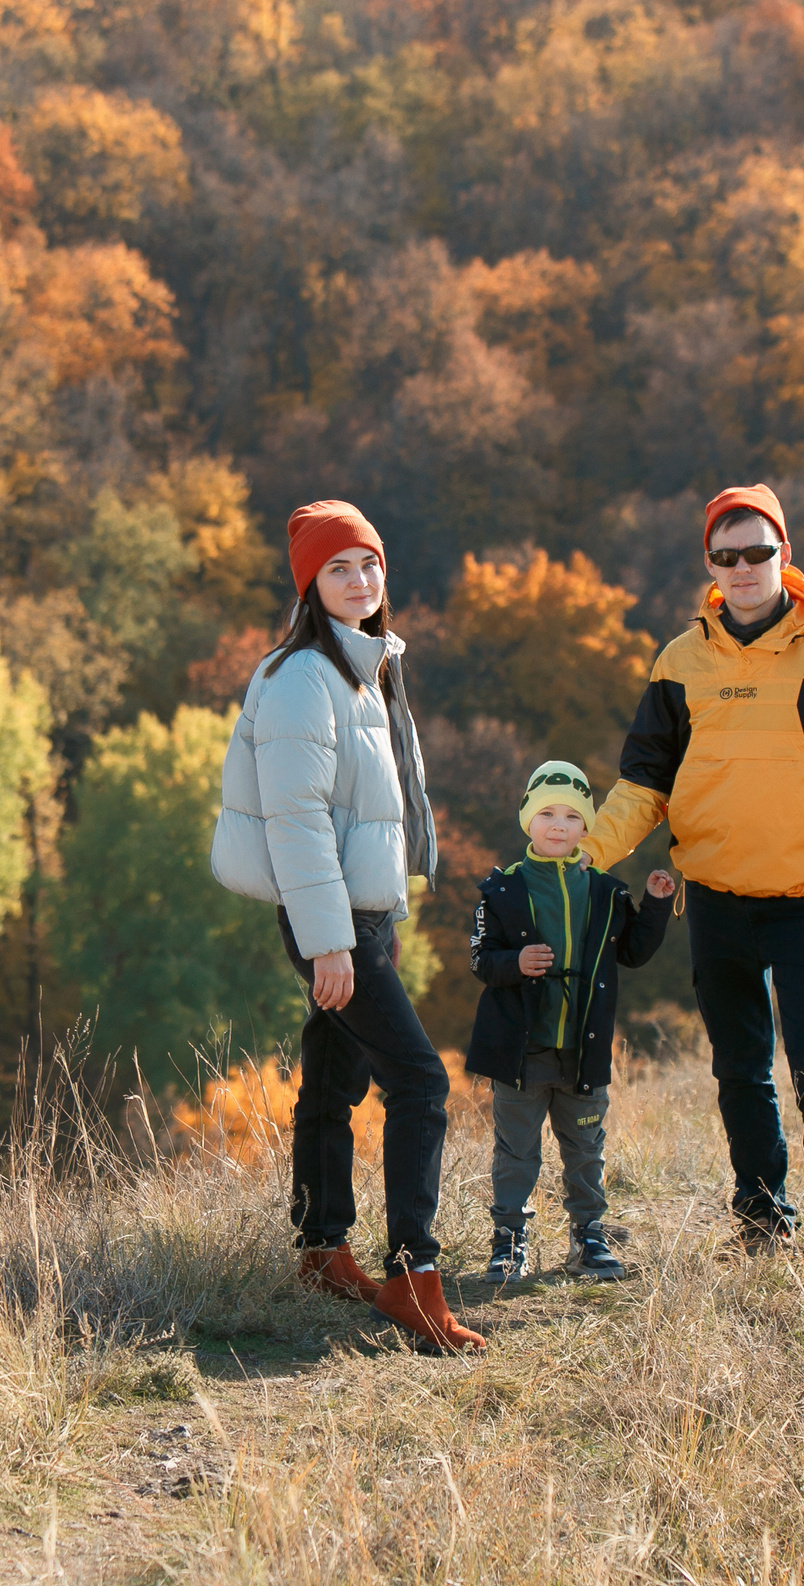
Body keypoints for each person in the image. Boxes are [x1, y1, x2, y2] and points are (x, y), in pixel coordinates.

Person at [581, 484, 804, 1285]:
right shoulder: (681, 661)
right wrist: (578, 862)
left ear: (785, 557)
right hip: (718, 905)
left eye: (757, 553)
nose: (743, 569)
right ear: (710, 566)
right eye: (725, 557)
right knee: (739, 1073)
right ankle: (761, 1224)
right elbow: (644, 787)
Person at [211, 499, 485, 1354]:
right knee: (421, 1083)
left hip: (361, 911)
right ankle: (412, 1278)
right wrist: (330, 939)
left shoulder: (364, 667)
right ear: (309, 585)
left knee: (334, 1081)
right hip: (331, 918)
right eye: (339, 568)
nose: (360, 579)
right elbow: (294, 818)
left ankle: (323, 1251)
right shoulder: (302, 678)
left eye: (368, 563)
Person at [464, 760, 675, 1286]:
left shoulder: (605, 891)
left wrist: (654, 906)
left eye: (571, 816)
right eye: (547, 814)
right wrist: (515, 964)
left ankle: (590, 1237)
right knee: (516, 1153)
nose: (558, 825)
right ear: (527, 821)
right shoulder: (502, 889)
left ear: (587, 827)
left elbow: (632, 953)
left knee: (585, 1150)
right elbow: (480, 960)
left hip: (583, 1048)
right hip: (522, 1051)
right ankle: (509, 1242)